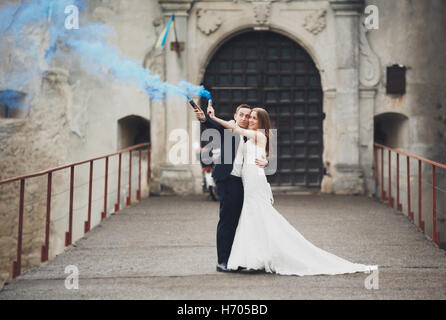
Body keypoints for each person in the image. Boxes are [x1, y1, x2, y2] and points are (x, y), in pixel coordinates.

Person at [206, 104, 378, 276]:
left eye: (253, 118)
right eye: (248, 117)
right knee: (251, 218)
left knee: (258, 215)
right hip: (245, 181)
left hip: (254, 182)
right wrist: (264, 161)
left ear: (262, 122)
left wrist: (213, 117)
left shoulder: (258, 135)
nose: (249, 120)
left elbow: (236, 129)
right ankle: (253, 257)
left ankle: (259, 256)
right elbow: (256, 151)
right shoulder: (252, 137)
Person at [194, 100, 269, 272]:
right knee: (227, 221)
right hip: (227, 179)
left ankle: (238, 258)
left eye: (248, 116)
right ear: (235, 117)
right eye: (241, 115)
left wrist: (265, 161)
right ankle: (222, 261)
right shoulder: (229, 129)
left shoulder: (252, 134)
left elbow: (262, 152)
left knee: (241, 220)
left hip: (244, 183)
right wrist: (204, 118)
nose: (244, 118)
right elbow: (212, 125)